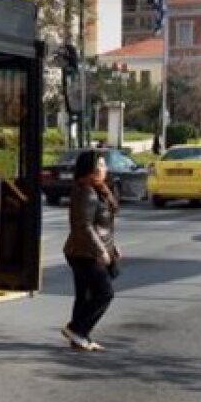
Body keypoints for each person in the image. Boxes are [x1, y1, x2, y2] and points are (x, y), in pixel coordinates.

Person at [60, 149, 120, 351]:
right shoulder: (86, 191)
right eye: (101, 165)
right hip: (84, 253)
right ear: (91, 169)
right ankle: (76, 329)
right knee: (105, 293)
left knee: (85, 295)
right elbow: (83, 226)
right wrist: (101, 250)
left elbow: (100, 225)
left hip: (85, 250)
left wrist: (112, 246)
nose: (105, 169)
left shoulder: (96, 189)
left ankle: (80, 337)